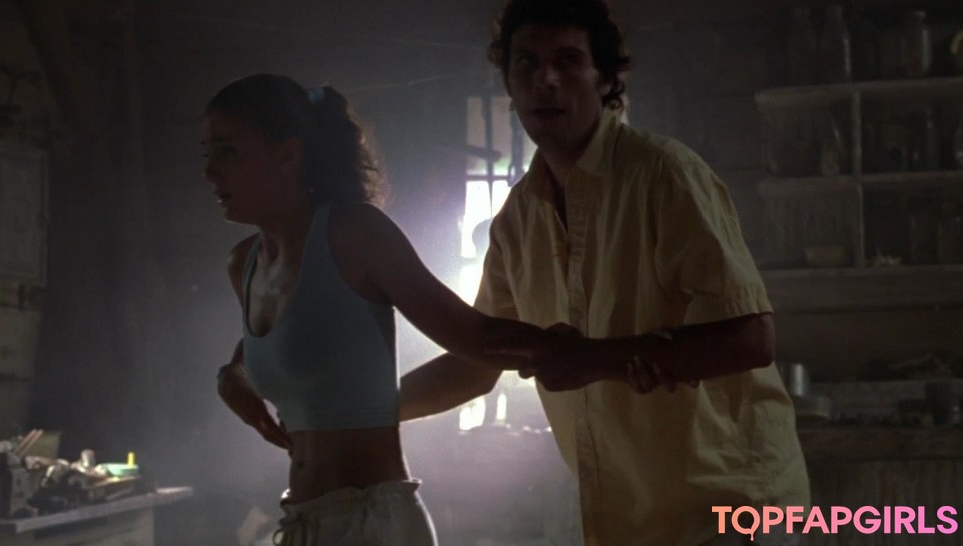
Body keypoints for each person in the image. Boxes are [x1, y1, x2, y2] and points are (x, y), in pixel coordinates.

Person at [399, 1, 811, 545]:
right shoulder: (517, 220)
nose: (545, 80)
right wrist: (356, 411)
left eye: (567, 61)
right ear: (509, 84)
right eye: (526, 63)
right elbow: (479, 363)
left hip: (731, 511)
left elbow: (752, 338)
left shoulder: (663, 175)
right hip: (638, 523)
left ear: (605, 79)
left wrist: (593, 360)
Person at [205, 74, 555, 545]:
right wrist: (233, 376)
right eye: (207, 155)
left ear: (287, 156)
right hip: (303, 520)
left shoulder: (355, 234)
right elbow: (279, 345)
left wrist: (587, 352)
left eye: (228, 152)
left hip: (372, 521)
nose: (210, 172)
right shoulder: (243, 264)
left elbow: (476, 340)